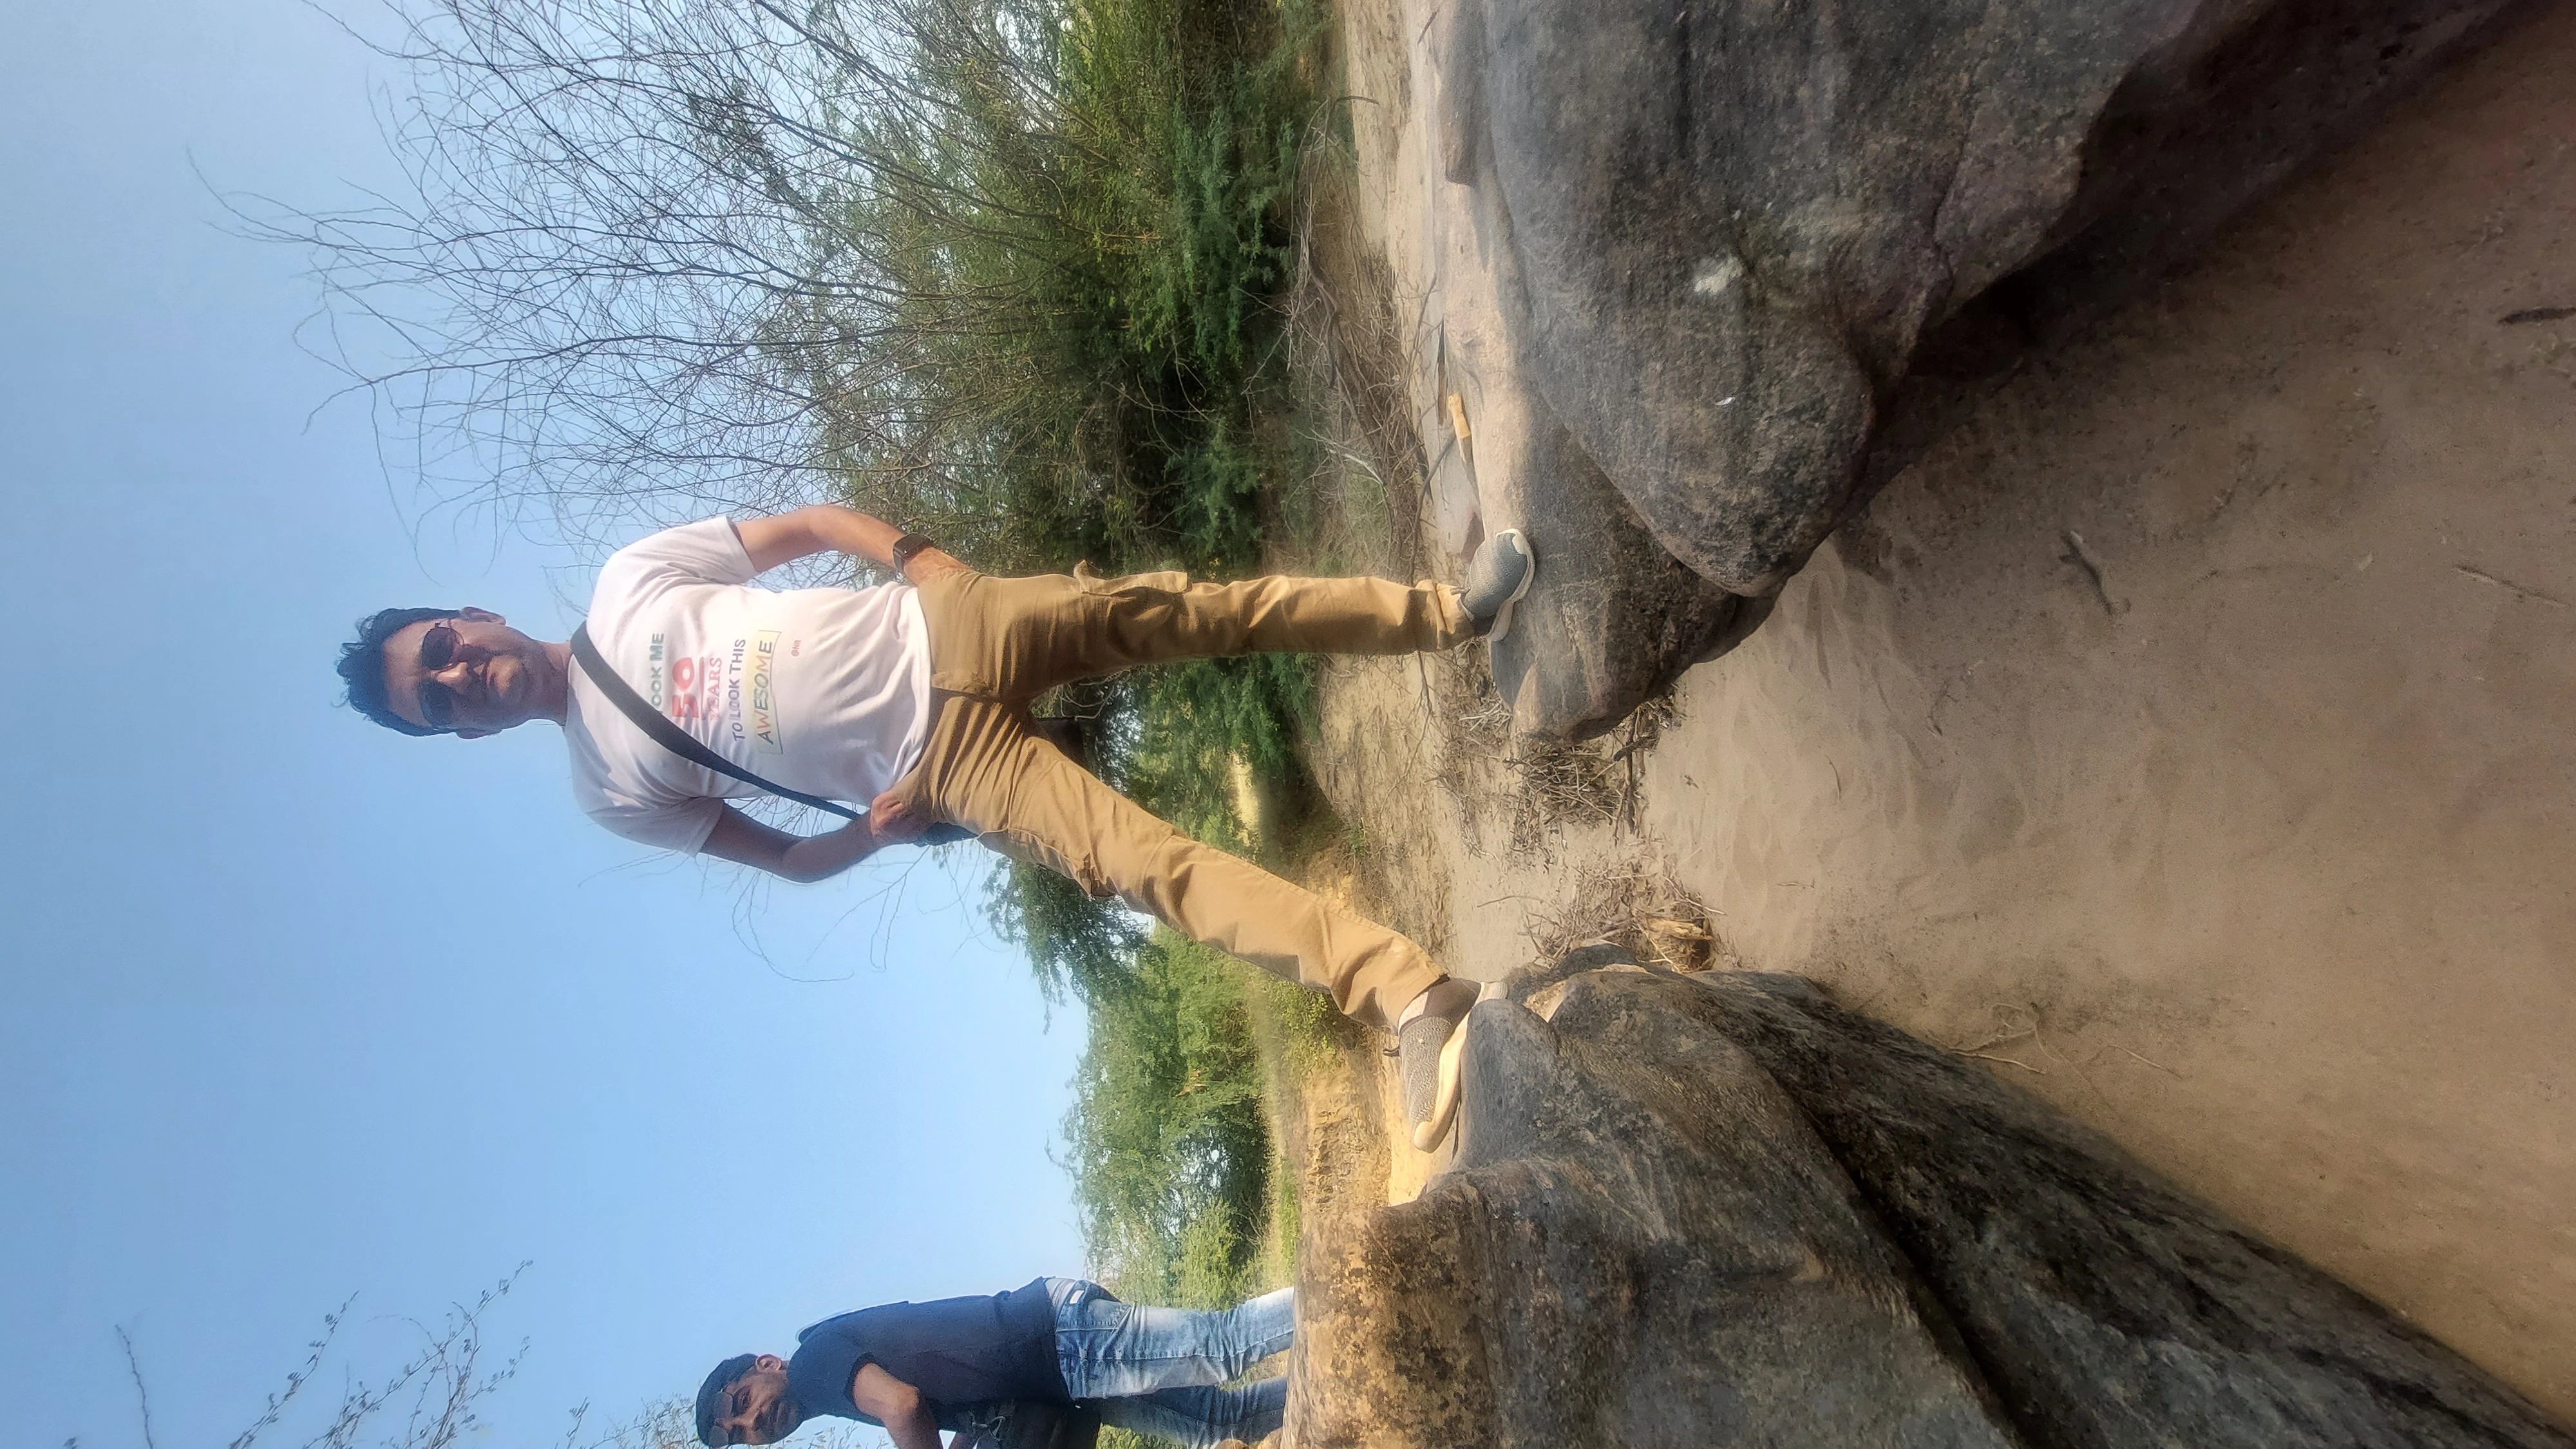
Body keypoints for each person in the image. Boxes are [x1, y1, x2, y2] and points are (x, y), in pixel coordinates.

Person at [335, 506, 1532, 1146]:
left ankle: (1447, 610)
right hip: (949, 770)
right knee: (1156, 872)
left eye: (442, 650)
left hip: (954, 625)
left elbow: (805, 526)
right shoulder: (606, 791)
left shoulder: (627, 578)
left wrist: (926, 564)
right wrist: (882, 830)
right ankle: (1408, 995)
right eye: (437, 704)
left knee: (1196, 610)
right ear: (467, 741)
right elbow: (794, 859)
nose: (459, 678)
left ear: (472, 613)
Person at [695, 1278, 1295, 1449]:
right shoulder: (825, 1387)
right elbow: (933, 1404)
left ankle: (1363, 1288)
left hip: (1055, 1342)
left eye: (743, 1406)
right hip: (1055, 1378)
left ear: (765, 1364)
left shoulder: (811, 1367)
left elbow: (904, 1409)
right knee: (1219, 1425)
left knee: (1225, 1344)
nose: (754, 1426)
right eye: (740, 1435)